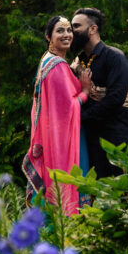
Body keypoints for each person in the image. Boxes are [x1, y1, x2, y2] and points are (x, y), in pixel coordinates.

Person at [22, 16, 92, 215]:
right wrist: (85, 92)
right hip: (63, 141)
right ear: (48, 36)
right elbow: (67, 108)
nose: (67, 35)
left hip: (50, 137)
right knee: (63, 189)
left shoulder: (49, 61)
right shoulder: (57, 66)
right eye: (60, 31)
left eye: (69, 30)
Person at [70, 7, 128, 178]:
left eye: (76, 26)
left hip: (116, 138)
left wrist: (81, 117)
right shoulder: (78, 62)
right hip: (90, 139)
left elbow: (115, 99)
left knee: (120, 194)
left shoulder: (115, 57)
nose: (72, 31)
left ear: (93, 29)